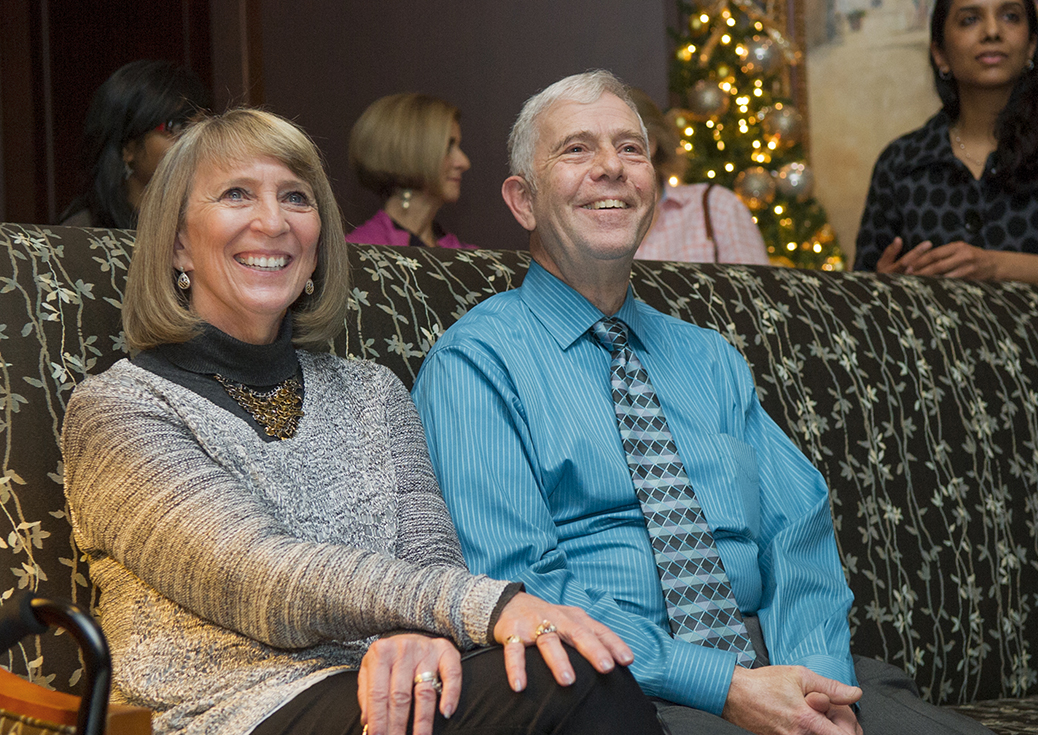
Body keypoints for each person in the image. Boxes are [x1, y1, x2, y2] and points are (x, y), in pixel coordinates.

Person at [411, 70, 996, 735]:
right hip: (623, 687)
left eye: (631, 149)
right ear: (523, 200)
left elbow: (795, 525)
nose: (611, 167)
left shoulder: (709, 358)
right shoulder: (476, 363)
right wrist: (724, 685)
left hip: (779, 662)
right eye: (576, 149)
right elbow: (522, 586)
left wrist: (815, 679)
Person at [60, 108, 664, 735]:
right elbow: (259, 576)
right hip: (236, 712)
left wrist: (421, 639)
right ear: (179, 241)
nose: (273, 222)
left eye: (296, 198)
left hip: (400, 694)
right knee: (575, 677)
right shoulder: (120, 409)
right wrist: (495, 607)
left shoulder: (372, 391)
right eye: (237, 194)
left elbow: (434, 562)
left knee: (573, 668)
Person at [853, 0, 1038, 297]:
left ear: (1032, 44)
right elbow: (862, 300)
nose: (992, 31)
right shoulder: (900, 162)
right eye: (970, 20)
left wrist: (996, 268)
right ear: (940, 54)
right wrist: (885, 287)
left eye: (1010, 16)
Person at [58, 59, 210, 229]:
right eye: (176, 127)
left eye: (201, 127)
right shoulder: (83, 236)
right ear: (127, 147)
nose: (194, 141)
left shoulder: (212, 224)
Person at [629, 88, 770, 265]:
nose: (609, 161)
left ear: (650, 143)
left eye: (626, 147)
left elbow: (754, 289)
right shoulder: (589, 223)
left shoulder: (716, 207)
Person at [347, 94, 475, 249]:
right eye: (448, 147)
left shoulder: (471, 260)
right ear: (408, 152)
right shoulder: (358, 254)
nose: (464, 163)